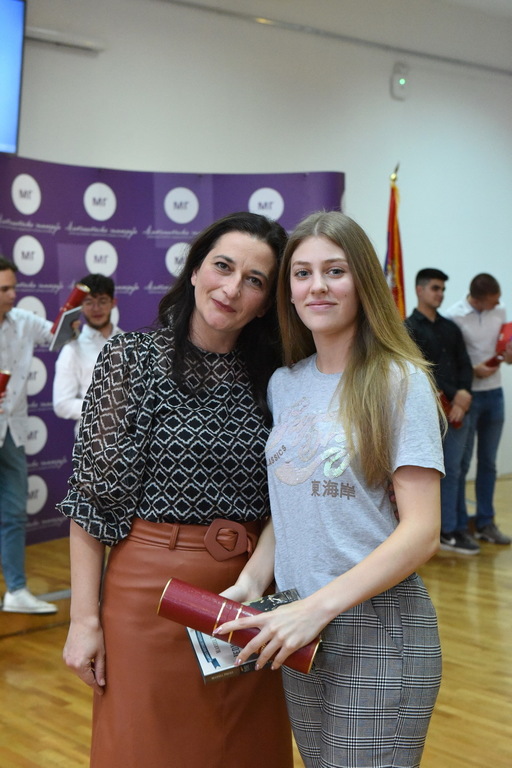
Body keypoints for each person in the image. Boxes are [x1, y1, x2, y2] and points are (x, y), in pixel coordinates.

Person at [58, 212, 293, 768]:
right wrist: (84, 621)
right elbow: (93, 502)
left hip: (252, 599)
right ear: (194, 270)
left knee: (245, 753)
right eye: (222, 266)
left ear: (267, 302)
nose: (231, 289)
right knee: (147, 749)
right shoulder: (131, 359)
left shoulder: (280, 377)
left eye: (254, 280)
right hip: (151, 598)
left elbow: (292, 494)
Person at [214, 211, 445, 768]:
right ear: (288, 291)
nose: (317, 286)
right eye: (302, 273)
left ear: (363, 282)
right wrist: (250, 582)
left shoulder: (399, 379)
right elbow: (292, 503)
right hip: (298, 625)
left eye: (335, 271)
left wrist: (316, 609)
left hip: (375, 625)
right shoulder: (285, 383)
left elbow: (422, 531)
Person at [405, 268, 478, 554]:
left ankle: (458, 526)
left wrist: (464, 393)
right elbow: (421, 369)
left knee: (459, 469)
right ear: (420, 290)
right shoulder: (408, 328)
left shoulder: (450, 327)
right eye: (435, 288)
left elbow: (464, 363)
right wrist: (454, 395)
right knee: (441, 471)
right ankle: (447, 530)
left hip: (459, 408)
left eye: (443, 289)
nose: (440, 294)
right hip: (432, 410)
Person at [0, 257, 58, 614]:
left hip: (13, 431)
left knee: (14, 513)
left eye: (13, 287)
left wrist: (72, 314)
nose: (13, 294)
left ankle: (16, 590)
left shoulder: (23, 320)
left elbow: (59, 336)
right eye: (4, 289)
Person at [445, 273, 512, 545]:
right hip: (468, 397)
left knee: (489, 463)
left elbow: (504, 350)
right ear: (479, 299)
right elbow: (451, 362)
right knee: (461, 465)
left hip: (495, 394)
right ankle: (460, 525)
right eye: (493, 300)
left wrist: (508, 356)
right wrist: (474, 370)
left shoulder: (500, 310)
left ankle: (485, 522)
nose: (498, 304)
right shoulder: (454, 316)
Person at [53, 274, 122, 433]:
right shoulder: (72, 349)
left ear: (113, 303)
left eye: (102, 301)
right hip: (92, 437)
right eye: (89, 302)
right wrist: (105, 408)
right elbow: (62, 404)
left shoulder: (128, 341)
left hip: (132, 437)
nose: (96, 308)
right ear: (81, 306)